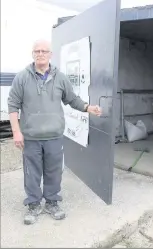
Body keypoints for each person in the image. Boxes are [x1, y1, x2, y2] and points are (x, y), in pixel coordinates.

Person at [7, 39, 102, 225]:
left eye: (44, 51)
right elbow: (12, 105)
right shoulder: (22, 77)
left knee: (53, 171)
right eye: (37, 51)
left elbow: (72, 99)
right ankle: (34, 204)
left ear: (51, 55)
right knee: (32, 173)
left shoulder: (61, 78)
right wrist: (16, 132)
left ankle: (52, 202)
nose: (40, 54)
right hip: (31, 137)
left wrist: (88, 107)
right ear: (32, 54)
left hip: (54, 137)